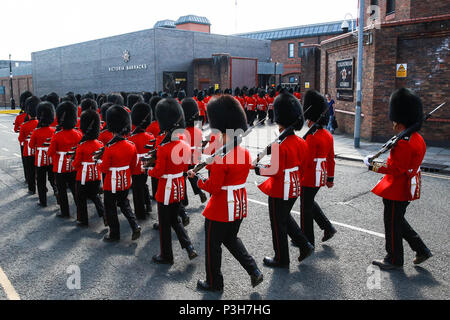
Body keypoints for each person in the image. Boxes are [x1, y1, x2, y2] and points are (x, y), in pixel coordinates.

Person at [188, 94, 263, 292]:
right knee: (230, 239)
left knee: (213, 246)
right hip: (238, 205)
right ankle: (253, 270)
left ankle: (214, 283)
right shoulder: (244, 153)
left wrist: (196, 179)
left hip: (220, 209)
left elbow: (213, 187)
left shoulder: (222, 157)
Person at [364, 88, 432, 270]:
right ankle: (421, 249)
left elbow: (395, 169)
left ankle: (393, 258)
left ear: (399, 119)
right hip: (407, 185)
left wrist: (372, 165)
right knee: (398, 221)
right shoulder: (416, 138)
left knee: (392, 224)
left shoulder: (404, 143)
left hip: (397, 188)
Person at [254, 92, 315, 267]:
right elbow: (304, 166)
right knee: (284, 218)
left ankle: (281, 258)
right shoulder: (301, 142)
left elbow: (274, 171)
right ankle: (305, 245)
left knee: (278, 224)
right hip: (294, 187)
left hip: (279, 189)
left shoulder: (281, 146)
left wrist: (257, 169)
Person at [147, 98, 198, 264]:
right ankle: (189, 247)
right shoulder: (184, 144)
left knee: (164, 223)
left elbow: (159, 172)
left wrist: (148, 170)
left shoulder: (164, 148)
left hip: (166, 190)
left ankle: (166, 255)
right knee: (175, 219)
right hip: (179, 187)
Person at [295, 90, 337, 248]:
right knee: (309, 203)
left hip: (310, 176)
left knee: (305, 208)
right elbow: (331, 159)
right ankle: (327, 227)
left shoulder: (312, 137)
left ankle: (306, 239)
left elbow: (306, 162)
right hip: (321, 175)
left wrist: (298, 177)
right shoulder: (327, 135)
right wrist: (330, 178)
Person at [99, 105, 141, 242]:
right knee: (124, 204)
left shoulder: (110, 148)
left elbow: (104, 169)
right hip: (125, 180)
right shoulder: (131, 145)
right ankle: (135, 225)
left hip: (111, 183)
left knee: (110, 207)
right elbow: (134, 165)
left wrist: (97, 163)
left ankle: (114, 234)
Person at [48, 100, 82, 218]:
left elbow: (50, 152)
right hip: (73, 164)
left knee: (62, 191)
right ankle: (80, 211)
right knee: (75, 190)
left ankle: (65, 212)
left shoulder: (57, 135)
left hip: (60, 167)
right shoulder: (78, 134)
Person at [72, 109, 105, 227]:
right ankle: (103, 214)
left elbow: (76, 164)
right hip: (96, 174)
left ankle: (83, 220)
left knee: (81, 198)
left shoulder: (82, 146)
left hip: (83, 176)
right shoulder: (100, 144)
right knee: (95, 195)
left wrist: (73, 163)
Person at [128, 102, 154, 220]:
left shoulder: (131, 138)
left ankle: (140, 213)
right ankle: (148, 205)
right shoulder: (150, 136)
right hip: (146, 165)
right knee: (143, 185)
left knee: (137, 190)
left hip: (136, 167)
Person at [29, 102, 58, 207]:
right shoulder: (53, 131)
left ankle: (43, 201)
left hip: (40, 159)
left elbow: (31, 146)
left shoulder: (36, 132)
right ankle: (56, 190)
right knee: (52, 178)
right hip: (51, 158)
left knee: (41, 181)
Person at [181, 97, 208, 205]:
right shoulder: (198, 130)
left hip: (184, 158)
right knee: (192, 174)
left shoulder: (182, 131)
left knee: (183, 177)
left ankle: (184, 200)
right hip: (194, 156)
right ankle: (199, 191)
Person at [18, 96, 41, 194]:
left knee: (30, 169)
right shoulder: (40, 123)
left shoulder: (24, 125)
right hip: (38, 149)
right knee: (39, 170)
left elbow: (21, 139)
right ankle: (42, 187)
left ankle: (32, 188)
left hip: (28, 149)